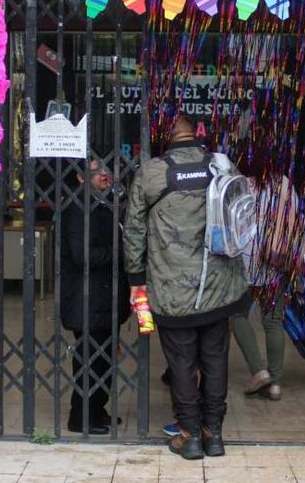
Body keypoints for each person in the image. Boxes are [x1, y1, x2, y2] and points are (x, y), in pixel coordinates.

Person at [123, 113, 250, 460]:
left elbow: (134, 230)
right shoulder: (221, 167)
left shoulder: (151, 172)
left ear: (167, 134)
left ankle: (189, 434)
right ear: (197, 134)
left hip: (171, 288)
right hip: (219, 287)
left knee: (180, 362)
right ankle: (214, 434)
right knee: (215, 359)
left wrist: (136, 279)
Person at [60, 159, 131, 435]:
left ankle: (96, 410)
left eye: (107, 170)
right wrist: (121, 255)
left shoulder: (101, 204)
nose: (105, 174)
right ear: (80, 178)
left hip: (103, 299)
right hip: (87, 299)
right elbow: (82, 255)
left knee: (103, 358)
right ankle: (80, 417)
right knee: (90, 359)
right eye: (96, 170)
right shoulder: (78, 208)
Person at [231, 175, 301, 401]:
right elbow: (295, 221)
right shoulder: (283, 183)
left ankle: (258, 370)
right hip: (275, 261)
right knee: (273, 320)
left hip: (243, 260)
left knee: (237, 314)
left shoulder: (238, 181)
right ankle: (275, 383)